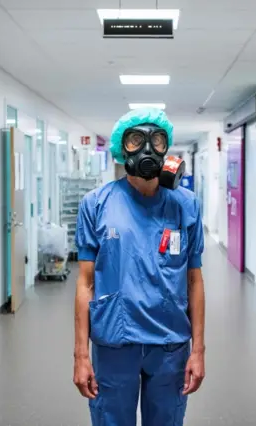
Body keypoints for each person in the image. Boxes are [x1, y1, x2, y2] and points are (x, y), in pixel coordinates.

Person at [72, 108, 206, 426]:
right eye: (136, 140)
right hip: (115, 342)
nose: (147, 148)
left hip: (170, 344)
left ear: (166, 148)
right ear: (122, 147)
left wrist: (198, 350)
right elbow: (85, 283)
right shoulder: (96, 204)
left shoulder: (186, 205)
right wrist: (80, 355)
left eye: (156, 140)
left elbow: (195, 281)